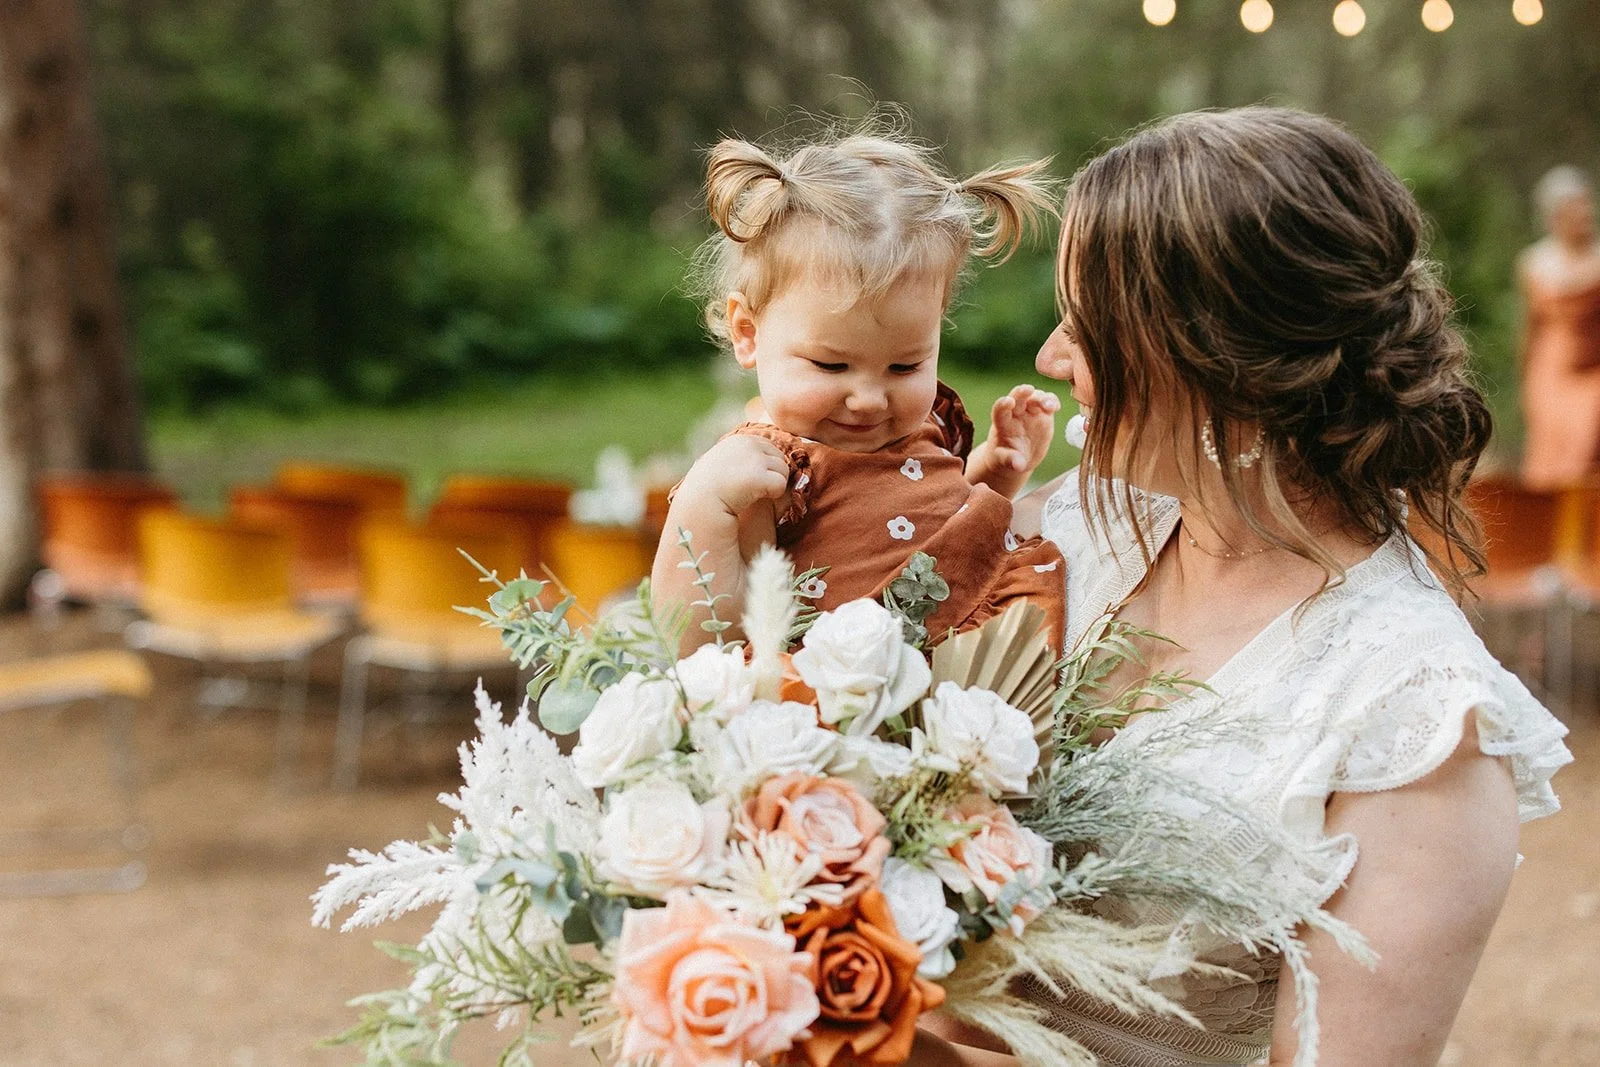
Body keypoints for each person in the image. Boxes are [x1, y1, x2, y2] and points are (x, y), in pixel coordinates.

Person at [918, 107, 1574, 1066]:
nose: (1052, 360)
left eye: (1086, 327)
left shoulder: (1417, 724)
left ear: (1212, 359)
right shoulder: (1072, 525)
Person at [653, 126, 1066, 650]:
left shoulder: (922, 423)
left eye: (904, 366)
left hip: (998, 654)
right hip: (870, 695)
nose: (870, 399)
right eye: (830, 366)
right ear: (748, 332)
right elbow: (702, 641)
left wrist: (999, 469)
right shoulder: (764, 475)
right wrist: (701, 505)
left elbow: (946, 524)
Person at [1518, 165, 1600, 489]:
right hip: (1549, 368)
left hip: (1591, 368)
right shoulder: (1534, 261)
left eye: (1587, 203)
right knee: (1548, 455)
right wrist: (1525, 376)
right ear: (1555, 216)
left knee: (1585, 441)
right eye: (1575, 206)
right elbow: (1530, 326)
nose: (1585, 212)